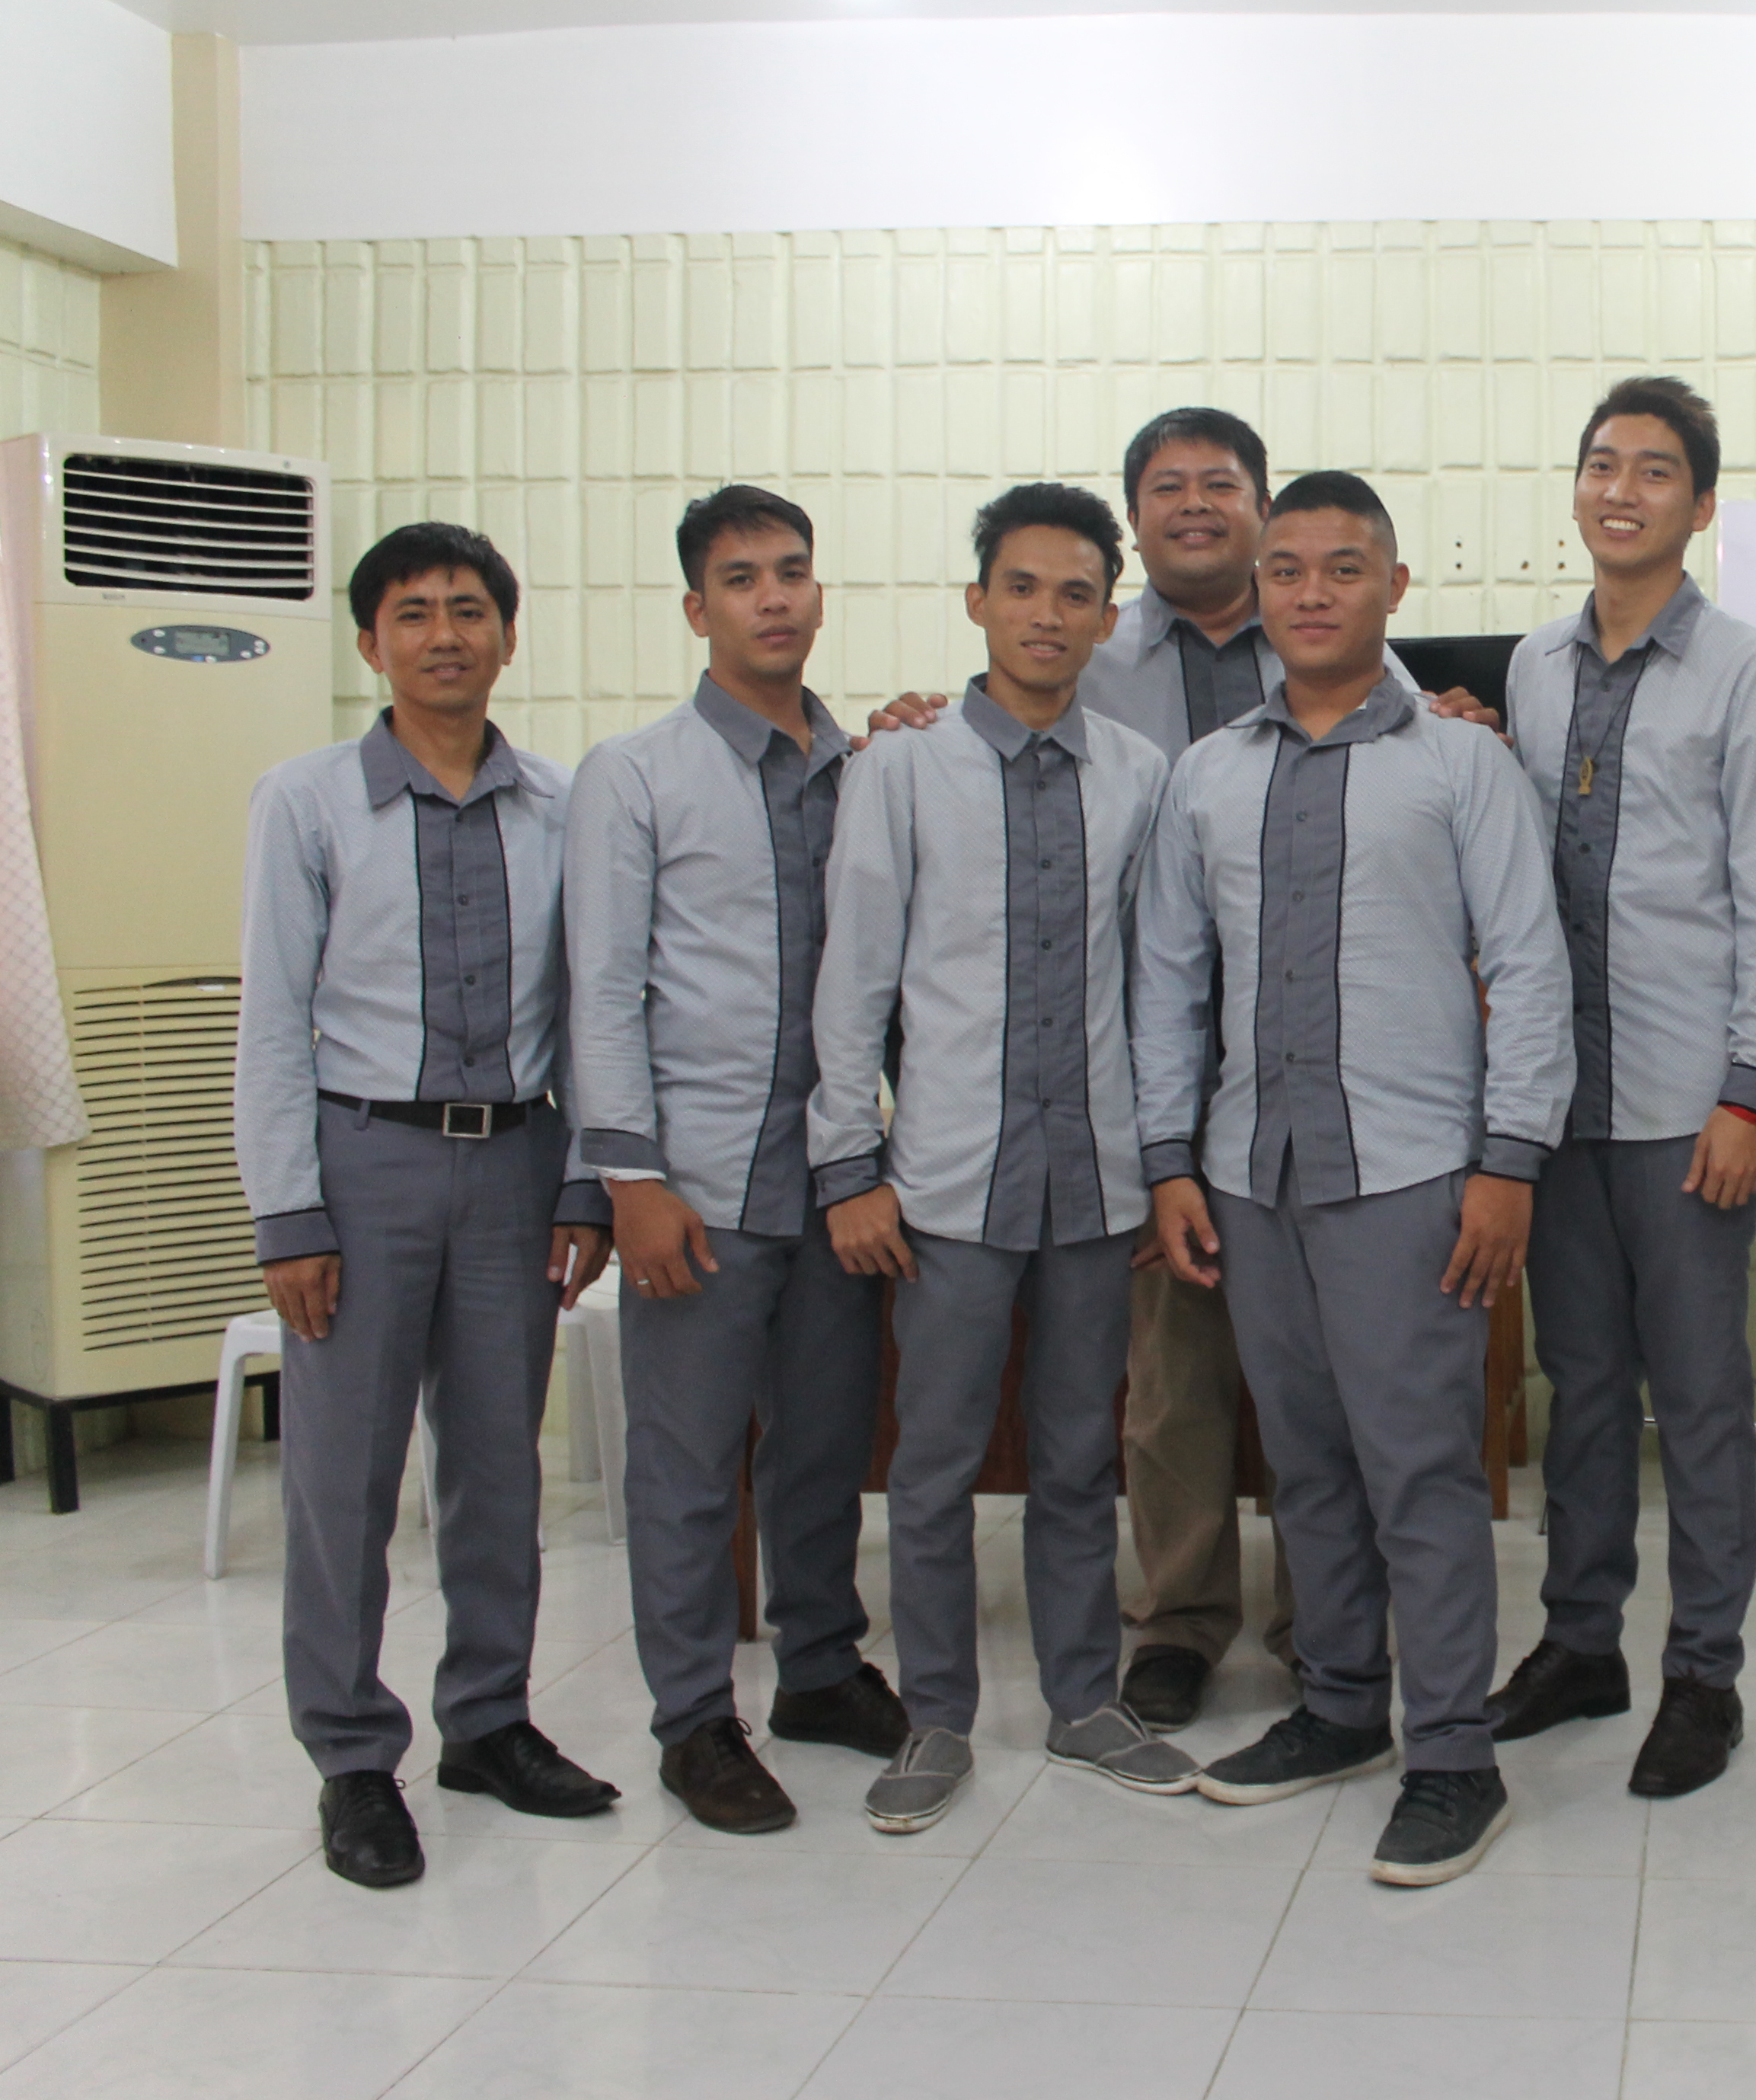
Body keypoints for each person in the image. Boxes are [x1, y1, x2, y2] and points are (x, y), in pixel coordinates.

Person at [1138, 471, 1573, 1885]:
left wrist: (1508, 1164)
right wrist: (1170, 1161)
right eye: (1288, 569)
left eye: (1344, 567)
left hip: (1411, 1177)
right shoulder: (1210, 775)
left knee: (1423, 1470)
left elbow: (1530, 967)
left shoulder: (1461, 764)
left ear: (1394, 586)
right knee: (1306, 1465)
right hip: (1252, 1173)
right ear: (1258, 589)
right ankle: (1337, 1708)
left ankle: (1452, 1754)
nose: (1313, 592)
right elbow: (1170, 982)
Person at [874, 407, 1298, 1733]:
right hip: (1109, 1100)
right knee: (1163, 1391)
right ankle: (1175, 1622)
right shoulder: (1077, 686)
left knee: (1309, 1384)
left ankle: (1327, 1625)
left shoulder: (1321, 631)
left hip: (1280, 1073)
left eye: (1220, 483)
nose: (1195, 504)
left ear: (1262, 507)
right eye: (1166, 486)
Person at [808, 482, 1199, 1833]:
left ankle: (1086, 1703)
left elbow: (1158, 986)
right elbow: (854, 981)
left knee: (1081, 1458)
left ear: (1106, 616)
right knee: (932, 1465)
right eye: (1021, 588)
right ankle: (936, 1718)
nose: (1046, 615)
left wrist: (1159, 1161)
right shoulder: (901, 768)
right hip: (947, 1186)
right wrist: (848, 1166)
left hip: (1092, 1181)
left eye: (1076, 593)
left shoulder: (1138, 778)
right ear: (978, 601)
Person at [235, 522, 619, 1888]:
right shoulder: (307, 802)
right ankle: (351, 1756)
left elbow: (592, 1008)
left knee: (499, 1466)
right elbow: (273, 1020)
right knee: (343, 1478)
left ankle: (489, 1722)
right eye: (413, 613)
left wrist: (586, 1177)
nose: (444, 634)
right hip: (365, 1164)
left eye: (468, 610)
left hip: (518, 1162)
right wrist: (290, 1213)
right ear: (370, 642)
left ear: (508, 636)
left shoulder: (565, 805)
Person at [1475, 376, 1756, 1800]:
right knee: (1582, 1385)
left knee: (1700, 1395)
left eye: (1655, 470)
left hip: (1688, 1106)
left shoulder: (1753, 673)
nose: (1622, 490)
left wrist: (1752, 1093)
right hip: (1561, 1100)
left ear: (1703, 503)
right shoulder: (1535, 666)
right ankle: (1582, 1644)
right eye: (1602, 465)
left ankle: (1704, 1675)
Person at [564, 485, 905, 1836]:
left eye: (793, 571)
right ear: (697, 608)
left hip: (839, 1176)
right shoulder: (635, 774)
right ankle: (696, 1719)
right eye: (742, 577)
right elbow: (601, 991)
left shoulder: (870, 768)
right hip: (698, 1184)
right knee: (690, 1465)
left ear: (820, 595)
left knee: (824, 1448)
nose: (774, 597)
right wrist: (630, 1180)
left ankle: (818, 1670)